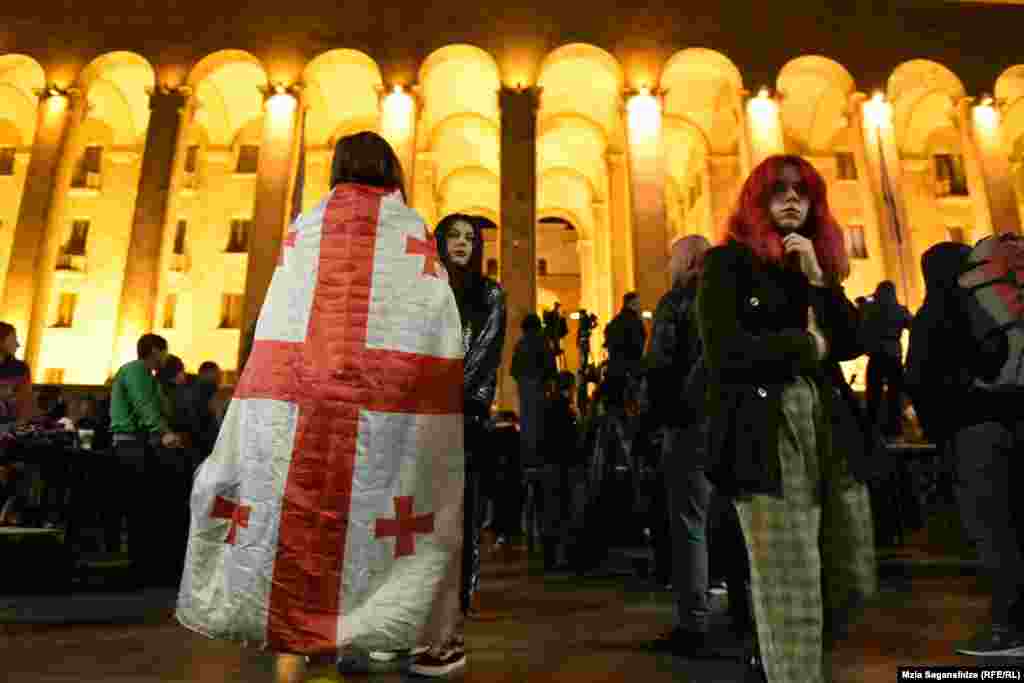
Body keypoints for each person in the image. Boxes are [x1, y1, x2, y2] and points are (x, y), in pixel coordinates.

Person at [178, 132, 465, 673]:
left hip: (296, 405)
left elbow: (277, 319)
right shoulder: (411, 232)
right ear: (392, 169)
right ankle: (357, 634)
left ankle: (293, 653)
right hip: (382, 412)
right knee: (367, 519)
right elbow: (435, 323)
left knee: (298, 519)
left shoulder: (305, 230)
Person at [696, 155, 861, 683]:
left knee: (850, 570)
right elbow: (725, 352)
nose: (792, 199)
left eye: (803, 191)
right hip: (764, 434)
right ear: (757, 202)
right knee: (788, 577)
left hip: (828, 432)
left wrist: (820, 282)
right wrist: (804, 345)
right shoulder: (727, 264)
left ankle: (779, 661)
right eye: (779, 191)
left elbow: (854, 341)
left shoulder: (810, 268)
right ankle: (790, 672)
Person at [905, 241, 1024, 657]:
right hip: (1014, 427)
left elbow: (920, 379)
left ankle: (1007, 630)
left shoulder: (937, 312)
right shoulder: (993, 308)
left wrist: (940, 430)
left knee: (993, 534)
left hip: (973, 438)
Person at [408, 212, 507, 677]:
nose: (463, 242)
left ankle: (450, 629)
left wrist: (448, 399)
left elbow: (483, 361)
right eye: (454, 234)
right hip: (418, 423)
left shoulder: (489, 295)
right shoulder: (423, 288)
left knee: (457, 524)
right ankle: (412, 621)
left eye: (471, 237)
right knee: (414, 519)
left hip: (461, 422)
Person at [645, 234, 753, 655]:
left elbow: (661, 364)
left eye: (672, 259)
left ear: (687, 262)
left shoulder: (678, 302)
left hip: (688, 425)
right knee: (734, 521)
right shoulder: (735, 297)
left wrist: (654, 418)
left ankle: (694, 622)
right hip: (734, 422)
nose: (669, 267)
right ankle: (745, 610)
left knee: (689, 521)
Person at [108, 334, 183, 582]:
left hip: (137, 444)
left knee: (143, 503)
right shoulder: (136, 370)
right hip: (131, 445)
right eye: (164, 352)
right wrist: (164, 432)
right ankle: (138, 564)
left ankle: (142, 562)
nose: (166, 357)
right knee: (140, 504)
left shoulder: (147, 376)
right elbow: (145, 406)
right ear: (154, 351)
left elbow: (159, 406)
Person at [860, 281, 911, 438]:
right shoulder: (900, 310)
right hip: (894, 355)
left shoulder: (871, 307)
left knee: (873, 394)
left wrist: (868, 299)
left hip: (876, 355)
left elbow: (862, 305)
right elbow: (913, 324)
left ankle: (871, 429)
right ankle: (894, 429)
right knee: (895, 395)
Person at [511, 313, 557, 469]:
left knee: (526, 420)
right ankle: (537, 457)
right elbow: (550, 367)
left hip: (524, 385)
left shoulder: (520, 343)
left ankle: (526, 456)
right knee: (539, 421)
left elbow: (514, 370)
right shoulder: (543, 342)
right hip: (539, 385)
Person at [603, 293, 647, 412]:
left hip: (615, 372)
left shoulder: (615, 321)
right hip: (631, 373)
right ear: (631, 304)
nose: (640, 307)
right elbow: (637, 347)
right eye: (638, 304)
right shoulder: (634, 322)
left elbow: (608, 343)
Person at [0, 322, 34, 425]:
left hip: (10, 429)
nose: (17, 345)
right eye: (13, 339)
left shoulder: (20, 369)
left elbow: (25, 405)